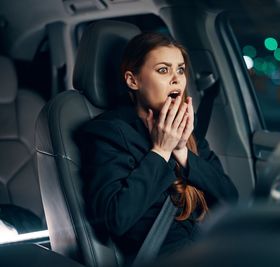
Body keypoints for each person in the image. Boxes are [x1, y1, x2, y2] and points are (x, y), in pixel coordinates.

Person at [78, 32, 238, 263]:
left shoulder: (185, 132)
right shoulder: (108, 132)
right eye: (163, 70)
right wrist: (161, 151)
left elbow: (230, 199)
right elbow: (116, 219)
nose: (176, 79)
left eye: (180, 70)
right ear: (133, 81)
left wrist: (182, 151)